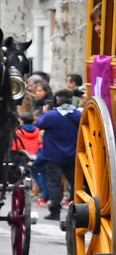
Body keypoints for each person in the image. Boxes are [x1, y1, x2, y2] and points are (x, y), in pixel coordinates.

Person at [36, 89, 81, 221]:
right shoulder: (78, 115)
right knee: (75, 184)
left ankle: (55, 211)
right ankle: (76, 210)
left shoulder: (51, 116)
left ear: (58, 101)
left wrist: (45, 112)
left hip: (53, 156)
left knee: (54, 184)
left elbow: (39, 123)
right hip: (72, 156)